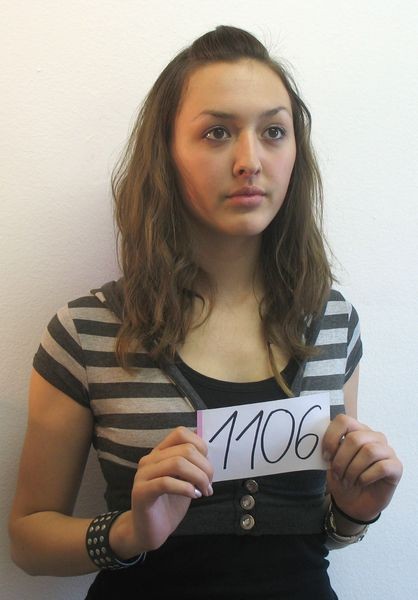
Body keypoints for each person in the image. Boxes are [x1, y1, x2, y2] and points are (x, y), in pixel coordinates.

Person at [9, 25, 402, 600]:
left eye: (273, 132)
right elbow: (27, 539)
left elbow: (322, 531)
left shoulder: (333, 323)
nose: (250, 161)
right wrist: (129, 531)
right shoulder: (86, 333)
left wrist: (354, 513)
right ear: (166, 154)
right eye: (217, 132)